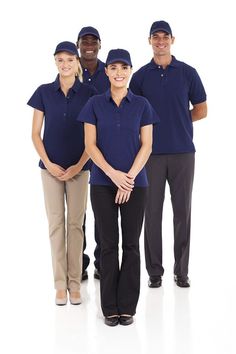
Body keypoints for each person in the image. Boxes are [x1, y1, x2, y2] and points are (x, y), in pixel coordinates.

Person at [78, 49, 159, 326]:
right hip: (102, 183)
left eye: (124, 67)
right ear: (106, 72)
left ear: (130, 71)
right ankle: (109, 307)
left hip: (136, 184)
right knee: (109, 245)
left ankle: (128, 307)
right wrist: (114, 175)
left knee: (132, 245)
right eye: (113, 67)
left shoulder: (143, 105)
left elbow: (147, 145)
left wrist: (130, 178)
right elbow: (90, 146)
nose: (119, 72)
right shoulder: (94, 104)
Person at [130, 20, 207, 288]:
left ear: (172, 40)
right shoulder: (139, 77)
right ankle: (154, 272)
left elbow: (201, 109)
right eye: (155, 37)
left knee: (182, 212)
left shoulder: (187, 73)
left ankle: (181, 270)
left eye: (165, 37)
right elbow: (133, 115)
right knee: (151, 212)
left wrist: (178, 121)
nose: (160, 41)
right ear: (149, 41)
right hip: (149, 154)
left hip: (183, 153)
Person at [28, 41, 96, 305]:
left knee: (75, 225)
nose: (65, 65)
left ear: (77, 62)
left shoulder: (89, 93)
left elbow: (94, 136)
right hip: (50, 170)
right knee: (56, 225)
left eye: (70, 60)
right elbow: (35, 134)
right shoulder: (43, 93)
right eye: (60, 60)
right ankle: (59, 284)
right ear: (55, 62)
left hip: (79, 169)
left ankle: (74, 282)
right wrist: (48, 163)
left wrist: (79, 166)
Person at [76, 26, 110, 281]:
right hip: (75, 147)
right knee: (79, 211)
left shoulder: (110, 71)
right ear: (78, 45)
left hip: (103, 149)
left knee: (101, 208)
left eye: (93, 41)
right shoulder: (69, 67)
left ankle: (101, 261)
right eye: (84, 41)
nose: (89, 45)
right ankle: (79, 262)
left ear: (99, 45)